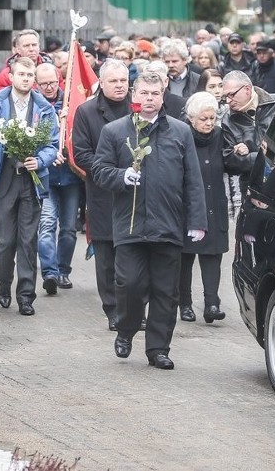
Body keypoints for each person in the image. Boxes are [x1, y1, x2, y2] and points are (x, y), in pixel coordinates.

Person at [92, 72, 207, 369]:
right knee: (129, 284)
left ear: (163, 95)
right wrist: (121, 175)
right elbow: (99, 170)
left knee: (165, 291)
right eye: (143, 93)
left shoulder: (180, 132)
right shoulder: (116, 131)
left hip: (168, 225)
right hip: (130, 225)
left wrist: (196, 221)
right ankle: (127, 329)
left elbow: (193, 179)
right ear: (134, 94)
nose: (149, 99)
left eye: (155, 94)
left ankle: (158, 349)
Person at [0, 57, 58, 316]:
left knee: (28, 240)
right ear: (11, 75)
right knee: (6, 239)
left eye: (31, 75)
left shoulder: (44, 107)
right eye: (22, 74)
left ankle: (26, 295)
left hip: (32, 180)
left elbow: (53, 145)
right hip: (4, 178)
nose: (26, 79)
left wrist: (40, 160)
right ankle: (4, 284)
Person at [72, 58, 131, 330]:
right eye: (114, 81)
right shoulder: (87, 112)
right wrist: (114, 172)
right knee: (106, 256)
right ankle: (113, 310)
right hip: (103, 191)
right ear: (102, 83)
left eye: (123, 81)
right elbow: (81, 153)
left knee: (132, 257)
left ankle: (133, 308)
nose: (120, 86)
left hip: (136, 194)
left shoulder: (137, 107)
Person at [178, 92, 229, 324]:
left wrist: (244, 152)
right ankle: (185, 304)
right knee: (184, 259)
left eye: (212, 118)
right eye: (204, 119)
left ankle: (212, 303)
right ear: (191, 118)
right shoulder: (181, 135)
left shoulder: (221, 135)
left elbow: (231, 163)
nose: (209, 123)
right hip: (188, 206)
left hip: (214, 205)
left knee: (212, 257)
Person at [36, 63, 80, 291]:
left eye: (52, 82)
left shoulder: (71, 101)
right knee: (47, 224)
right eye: (43, 84)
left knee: (69, 227)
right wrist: (47, 155)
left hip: (71, 176)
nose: (49, 87)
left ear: (59, 80)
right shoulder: (34, 105)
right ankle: (49, 273)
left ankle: (64, 270)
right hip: (46, 176)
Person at [220, 70, 275, 193]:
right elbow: (230, 159)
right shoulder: (227, 120)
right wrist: (260, 157)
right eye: (225, 96)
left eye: (231, 95)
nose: (228, 101)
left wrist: (252, 153)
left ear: (247, 90)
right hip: (252, 187)